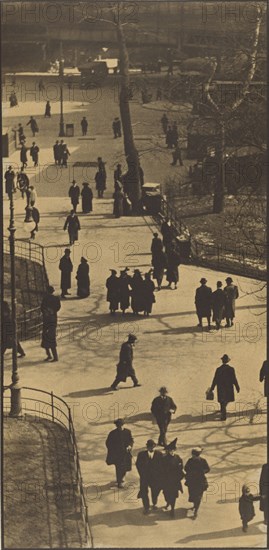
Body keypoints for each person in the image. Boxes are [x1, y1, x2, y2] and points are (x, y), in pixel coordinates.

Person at [209, 354, 240, 421]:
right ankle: (223, 412)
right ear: (228, 361)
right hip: (228, 387)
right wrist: (237, 386)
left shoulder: (218, 369)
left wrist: (212, 388)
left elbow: (215, 379)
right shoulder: (231, 369)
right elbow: (234, 378)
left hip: (221, 388)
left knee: (222, 401)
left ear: (222, 361)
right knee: (226, 400)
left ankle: (223, 413)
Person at [136, 440, 163, 514]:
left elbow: (162, 466)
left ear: (155, 446)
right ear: (147, 447)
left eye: (153, 447)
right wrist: (142, 474)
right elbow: (138, 465)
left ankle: (154, 503)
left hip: (155, 478)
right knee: (144, 492)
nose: (151, 449)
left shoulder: (159, 454)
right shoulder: (141, 454)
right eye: (150, 447)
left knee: (155, 491)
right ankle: (146, 507)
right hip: (144, 477)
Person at [106, 419, 134, 488]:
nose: (120, 427)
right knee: (118, 467)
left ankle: (121, 478)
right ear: (116, 426)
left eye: (121, 425)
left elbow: (131, 440)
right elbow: (108, 443)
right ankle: (119, 481)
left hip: (126, 453)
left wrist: (130, 446)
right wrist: (113, 450)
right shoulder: (113, 433)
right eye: (118, 426)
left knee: (125, 467)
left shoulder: (127, 432)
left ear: (123, 425)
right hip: (117, 455)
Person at [185, 447, 210, 519]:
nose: (193, 456)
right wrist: (191, 472)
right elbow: (186, 468)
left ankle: (196, 510)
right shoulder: (190, 460)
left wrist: (202, 472)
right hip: (192, 481)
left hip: (200, 481)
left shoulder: (203, 461)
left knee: (198, 496)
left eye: (194, 455)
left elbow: (207, 469)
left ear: (197, 455)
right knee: (192, 495)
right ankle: (195, 505)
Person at [161, 438, 184, 518]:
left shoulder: (178, 458)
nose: (171, 451)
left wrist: (180, 477)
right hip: (166, 481)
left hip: (175, 481)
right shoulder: (164, 459)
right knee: (166, 494)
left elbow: (181, 468)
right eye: (169, 450)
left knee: (173, 495)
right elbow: (161, 470)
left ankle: (172, 510)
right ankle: (168, 502)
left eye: (173, 450)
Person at [41, 286, 61, 362]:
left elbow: (42, 308)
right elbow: (58, 307)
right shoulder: (54, 298)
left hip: (49, 320)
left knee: (50, 339)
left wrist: (48, 311)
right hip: (51, 320)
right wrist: (51, 311)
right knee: (48, 338)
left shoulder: (46, 298)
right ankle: (51, 356)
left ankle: (53, 357)